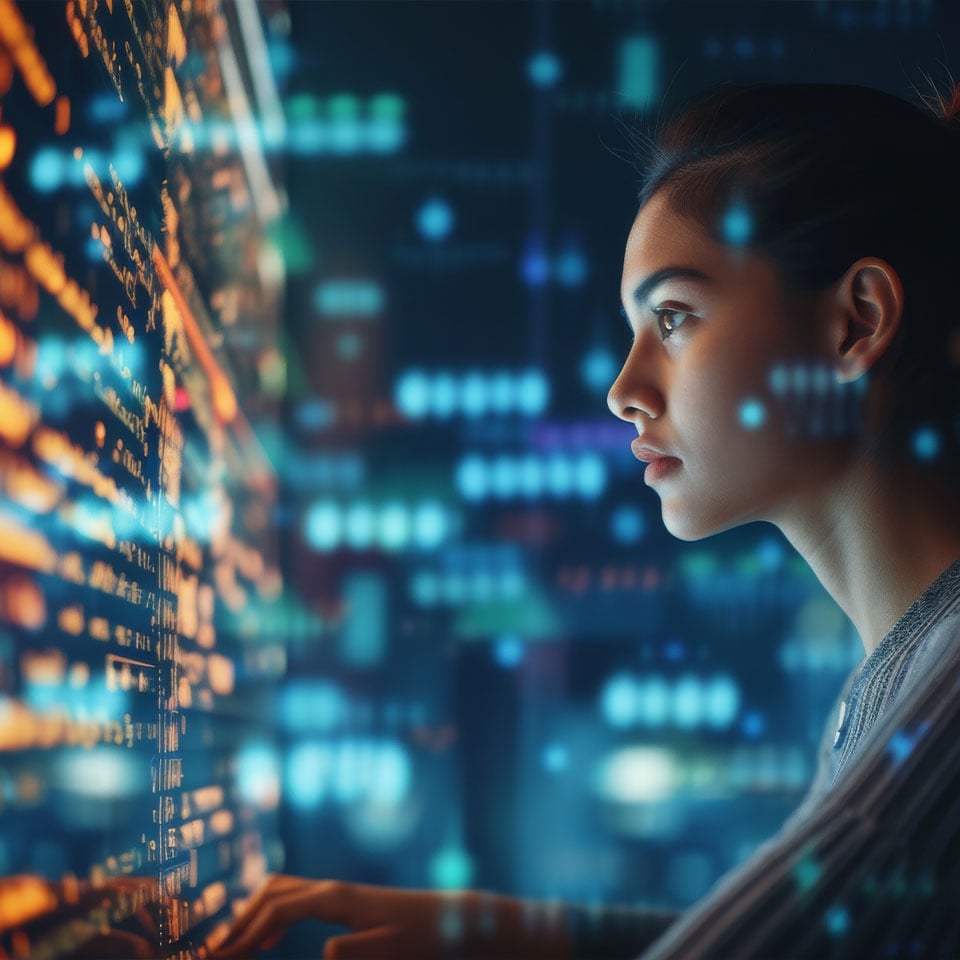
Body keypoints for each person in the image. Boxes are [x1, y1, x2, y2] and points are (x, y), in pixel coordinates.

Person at [212, 77, 960, 959]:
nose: (624, 391)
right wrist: (521, 936)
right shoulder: (906, 674)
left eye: (675, 318)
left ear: (856, 322)